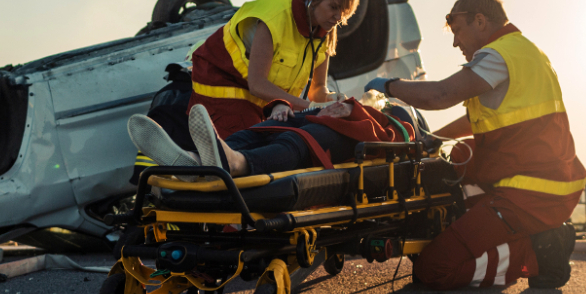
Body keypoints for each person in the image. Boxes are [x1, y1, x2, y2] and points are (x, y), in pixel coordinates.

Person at [366, 0, 586, 289]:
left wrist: (388, 86)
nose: (456, 42)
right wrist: (435, 138)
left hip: (530, 192)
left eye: (458, 31)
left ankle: (539, 252)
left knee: (432, 270)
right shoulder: (524, 51)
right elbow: (483, 119)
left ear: (480, 21)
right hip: (547, 179)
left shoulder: (497, 55)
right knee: (459, 153)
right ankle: (495, 233)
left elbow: (441, 95)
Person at [187, 0, 359, 137]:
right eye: (334, 7)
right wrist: (310, 106)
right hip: (221, 86)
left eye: (344, 11)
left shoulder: (325, 32)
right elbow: (257, 84)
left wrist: (330, 99)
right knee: (245, 148)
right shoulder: (275, 18)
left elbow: (317, 88)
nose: (338, 17)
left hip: (261, 100)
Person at [127, 99, 411, 181]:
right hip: (309, 119)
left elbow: (396, 135)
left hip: (342, 137)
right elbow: (314, 103)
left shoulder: (399, 121)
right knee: (256, 131)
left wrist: (353, 109)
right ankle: (197, 163)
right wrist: (281, 105)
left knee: (296, 141)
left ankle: (237, 163)